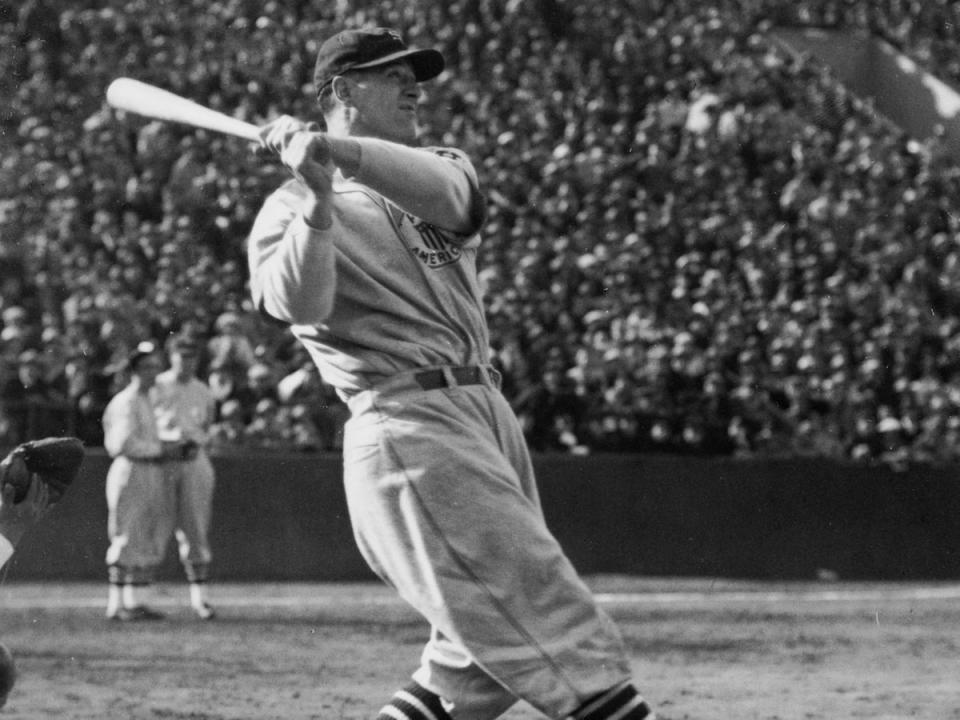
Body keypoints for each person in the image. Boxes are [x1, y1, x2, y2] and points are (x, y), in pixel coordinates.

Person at [249, 27, 661, 720]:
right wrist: (317, 200)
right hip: (407, 422)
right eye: (392, 75)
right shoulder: (286, 211)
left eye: (416, 75)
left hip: (483, 413)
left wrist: (335, 151)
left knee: (477, 664)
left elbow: (452, 196)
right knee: (552, 627)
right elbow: (299, 304)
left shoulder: (435, 167)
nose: (416, 87)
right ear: (342, 90)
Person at [102, 341, 194, 622]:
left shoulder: (145, 399)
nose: (154, 372)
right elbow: (122, 443)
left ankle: (134, 601)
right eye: (147, 367)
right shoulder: (127, 401)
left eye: (156, 366)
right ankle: (116, 604)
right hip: (131, 469)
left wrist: (169, 446)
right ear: (135, 370)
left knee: (145, 533)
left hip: (150, 469)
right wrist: (163, 449)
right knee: (126, 532)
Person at [152, 335, 217, 619]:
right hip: (161, 460)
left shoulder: (203, 389)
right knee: (153, 523)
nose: (187, 361)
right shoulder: (156, 385)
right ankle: (134, 595)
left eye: (192, 357)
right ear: (171, 357)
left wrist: (194, 442)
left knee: (195, 525)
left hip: (193, 459)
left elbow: (207, 425)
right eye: (182, 356)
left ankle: (199, 598)